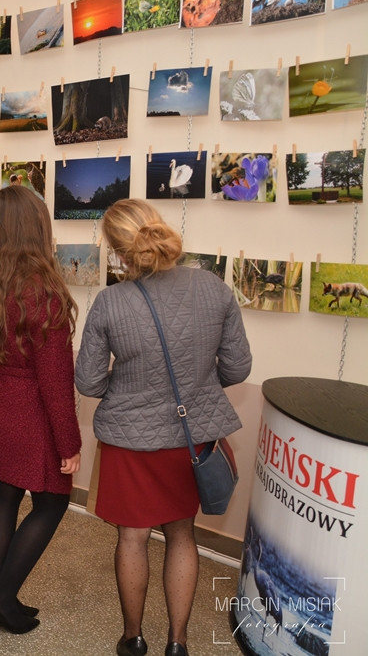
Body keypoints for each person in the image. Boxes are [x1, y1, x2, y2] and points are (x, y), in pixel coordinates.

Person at [75, 199, 252, 656]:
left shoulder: (109, 303)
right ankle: (178, 643)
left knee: (132, 538)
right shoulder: (214, 288)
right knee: (181, 534)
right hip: (190, 440)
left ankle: (133, 640)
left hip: (130, 444)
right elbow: (237, 368)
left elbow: (89, 382)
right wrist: (195, 383)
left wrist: (130, 380)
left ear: (117, 250)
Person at [0, 185, 81, 636]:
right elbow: (55, 382)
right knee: (53, 503)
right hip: (29, 416)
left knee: (4, 498)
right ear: (37, 229)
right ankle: (0, 599)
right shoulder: (43, 295)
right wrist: (69, 443)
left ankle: (4, 601)